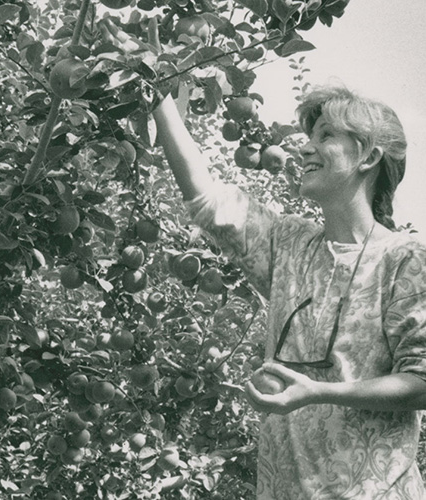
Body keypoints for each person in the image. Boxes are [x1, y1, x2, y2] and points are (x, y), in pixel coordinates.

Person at [152, 86, 426, 499]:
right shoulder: (290, 243)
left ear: (368, 158)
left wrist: (319, 392)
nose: (305, 150)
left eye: (326, 137)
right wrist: (158, 95)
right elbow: (205, 197)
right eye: (309, 137)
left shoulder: (405, 259)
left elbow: (421, 379)